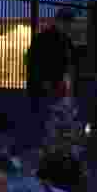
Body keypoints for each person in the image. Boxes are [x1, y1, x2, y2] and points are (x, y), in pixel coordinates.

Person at [25, 9, 77, 153]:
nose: (69, 27)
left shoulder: (65, 40)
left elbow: (70, 64)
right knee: (48, 122)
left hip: (59, 89)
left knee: (57, 123)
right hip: (48, 89)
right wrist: (45, 83)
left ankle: (54, 150)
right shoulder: (46, 39)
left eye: (70, 24)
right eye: (67, 23)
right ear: (59, 22)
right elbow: (34, 64)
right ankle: (47, 151)